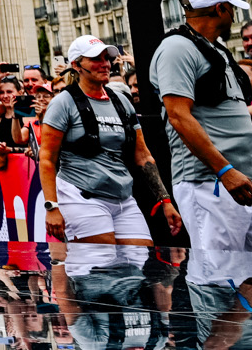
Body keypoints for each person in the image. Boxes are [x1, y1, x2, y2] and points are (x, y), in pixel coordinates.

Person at [149, 0, 252, 283]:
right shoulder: (177, 48)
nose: (233, 16)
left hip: (245, 180)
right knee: (219, 279)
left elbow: (229, 123)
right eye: (231, 9)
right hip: (209, 183)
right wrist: (225, 171)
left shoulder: (216, 51)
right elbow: (179, 117)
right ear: (220, 9)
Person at [35, 35, 181, 262]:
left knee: (140, 265)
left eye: (107, 58)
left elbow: (142, 155)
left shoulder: (121, 101)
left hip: (123, 198)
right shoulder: (63, 102)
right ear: (76, 65)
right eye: (96, 59)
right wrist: (51, 206)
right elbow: (46, 159)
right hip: (81, 197)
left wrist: (165, 200)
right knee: (99, 273)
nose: (105, 64)